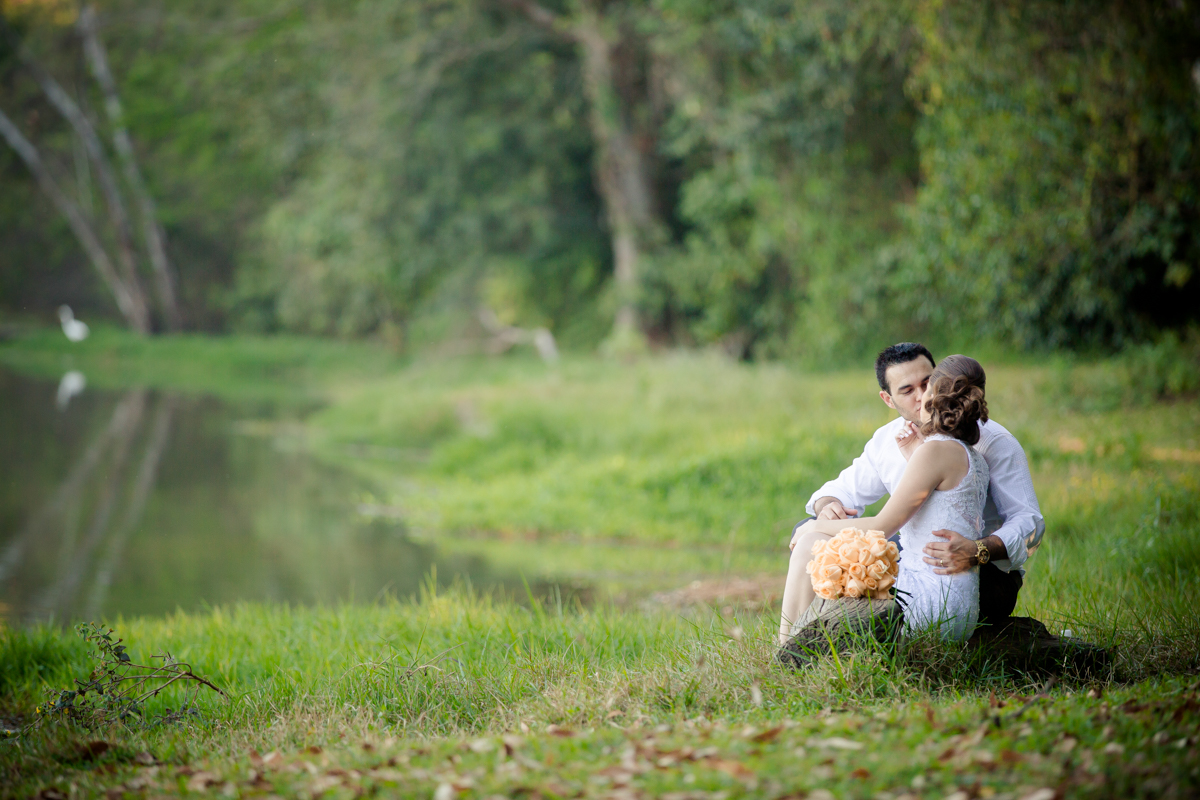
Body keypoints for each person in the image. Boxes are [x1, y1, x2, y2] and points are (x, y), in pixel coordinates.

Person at [778, 346, 1044, 644]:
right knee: (816, 536)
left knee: (813, 538)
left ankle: (791, 648)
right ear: (888, 399)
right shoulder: (893, 439)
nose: (920, 396)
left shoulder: (995, 442)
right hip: (920, 561)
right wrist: (826, 507)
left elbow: (1031, 523)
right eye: (907, 390)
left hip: (984, 575)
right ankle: (811, 641)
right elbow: (838, 491)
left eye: (927, 383)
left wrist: (977, 549)